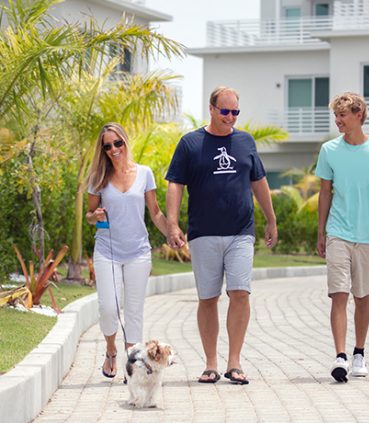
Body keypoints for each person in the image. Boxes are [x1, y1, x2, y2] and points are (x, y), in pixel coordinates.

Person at [165, 86, 277, 385]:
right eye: (225, 111)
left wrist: (271, 219)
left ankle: (234, 362)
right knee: (208, 298)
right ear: (212, 109)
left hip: (241, 231)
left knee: (240, 293)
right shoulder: (190, 143)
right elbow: (175, 183)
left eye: (235, 112)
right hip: (203, 233)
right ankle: (211, 363)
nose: (230, 117)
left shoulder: (245, 141)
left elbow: (259, 181)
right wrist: (173, 224)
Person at [315, 92, 369, 383]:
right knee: (338, 294)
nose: (338, 121)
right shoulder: (329, 150)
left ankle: (359, 353)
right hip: (338, 230)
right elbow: (325, 193)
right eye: (335, 116)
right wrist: (321, 231)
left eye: (343, 116)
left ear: (358, 115)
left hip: (368, 234)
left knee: (361, 296)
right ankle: (340, 356)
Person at [86, 122, 168, 379]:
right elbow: (89, 216)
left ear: (125, 141)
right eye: (107, 146)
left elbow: (155, 212)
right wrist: (95, 215)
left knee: (134, 311)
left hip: (138, 252)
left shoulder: (144, 173)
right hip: (107, 250)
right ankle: (111, 350)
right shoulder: (98, 177)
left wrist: (172, 233)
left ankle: (131, 365)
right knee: (109, 308)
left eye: (117, 143)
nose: (113, 149)